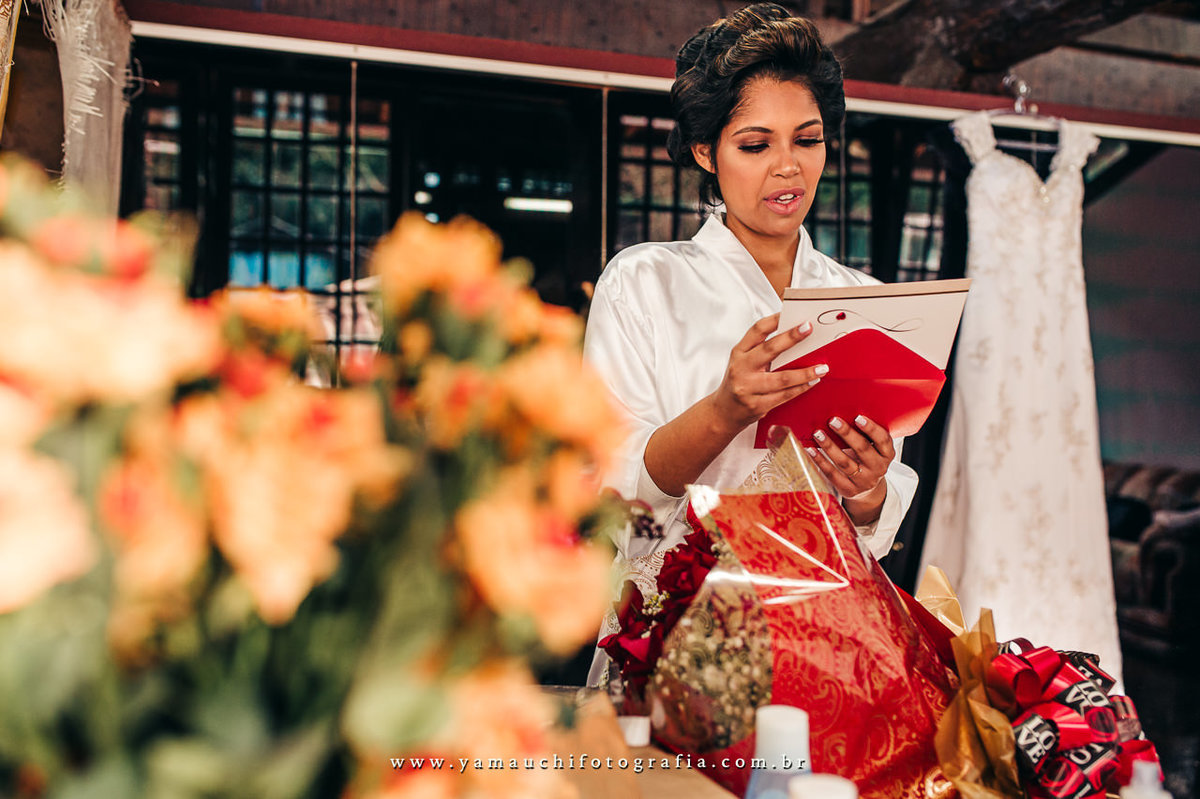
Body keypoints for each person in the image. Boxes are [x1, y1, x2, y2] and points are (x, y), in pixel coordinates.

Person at [583, 3, 918, 562]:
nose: (788, 167)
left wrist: (867, 486)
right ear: (704, 151)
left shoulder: (863, 298)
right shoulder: (642, 282)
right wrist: (724, 412)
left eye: (807, 141)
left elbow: (870, 531)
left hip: (821, 624)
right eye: (756, 145)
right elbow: (613, 496)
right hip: (668, 624)